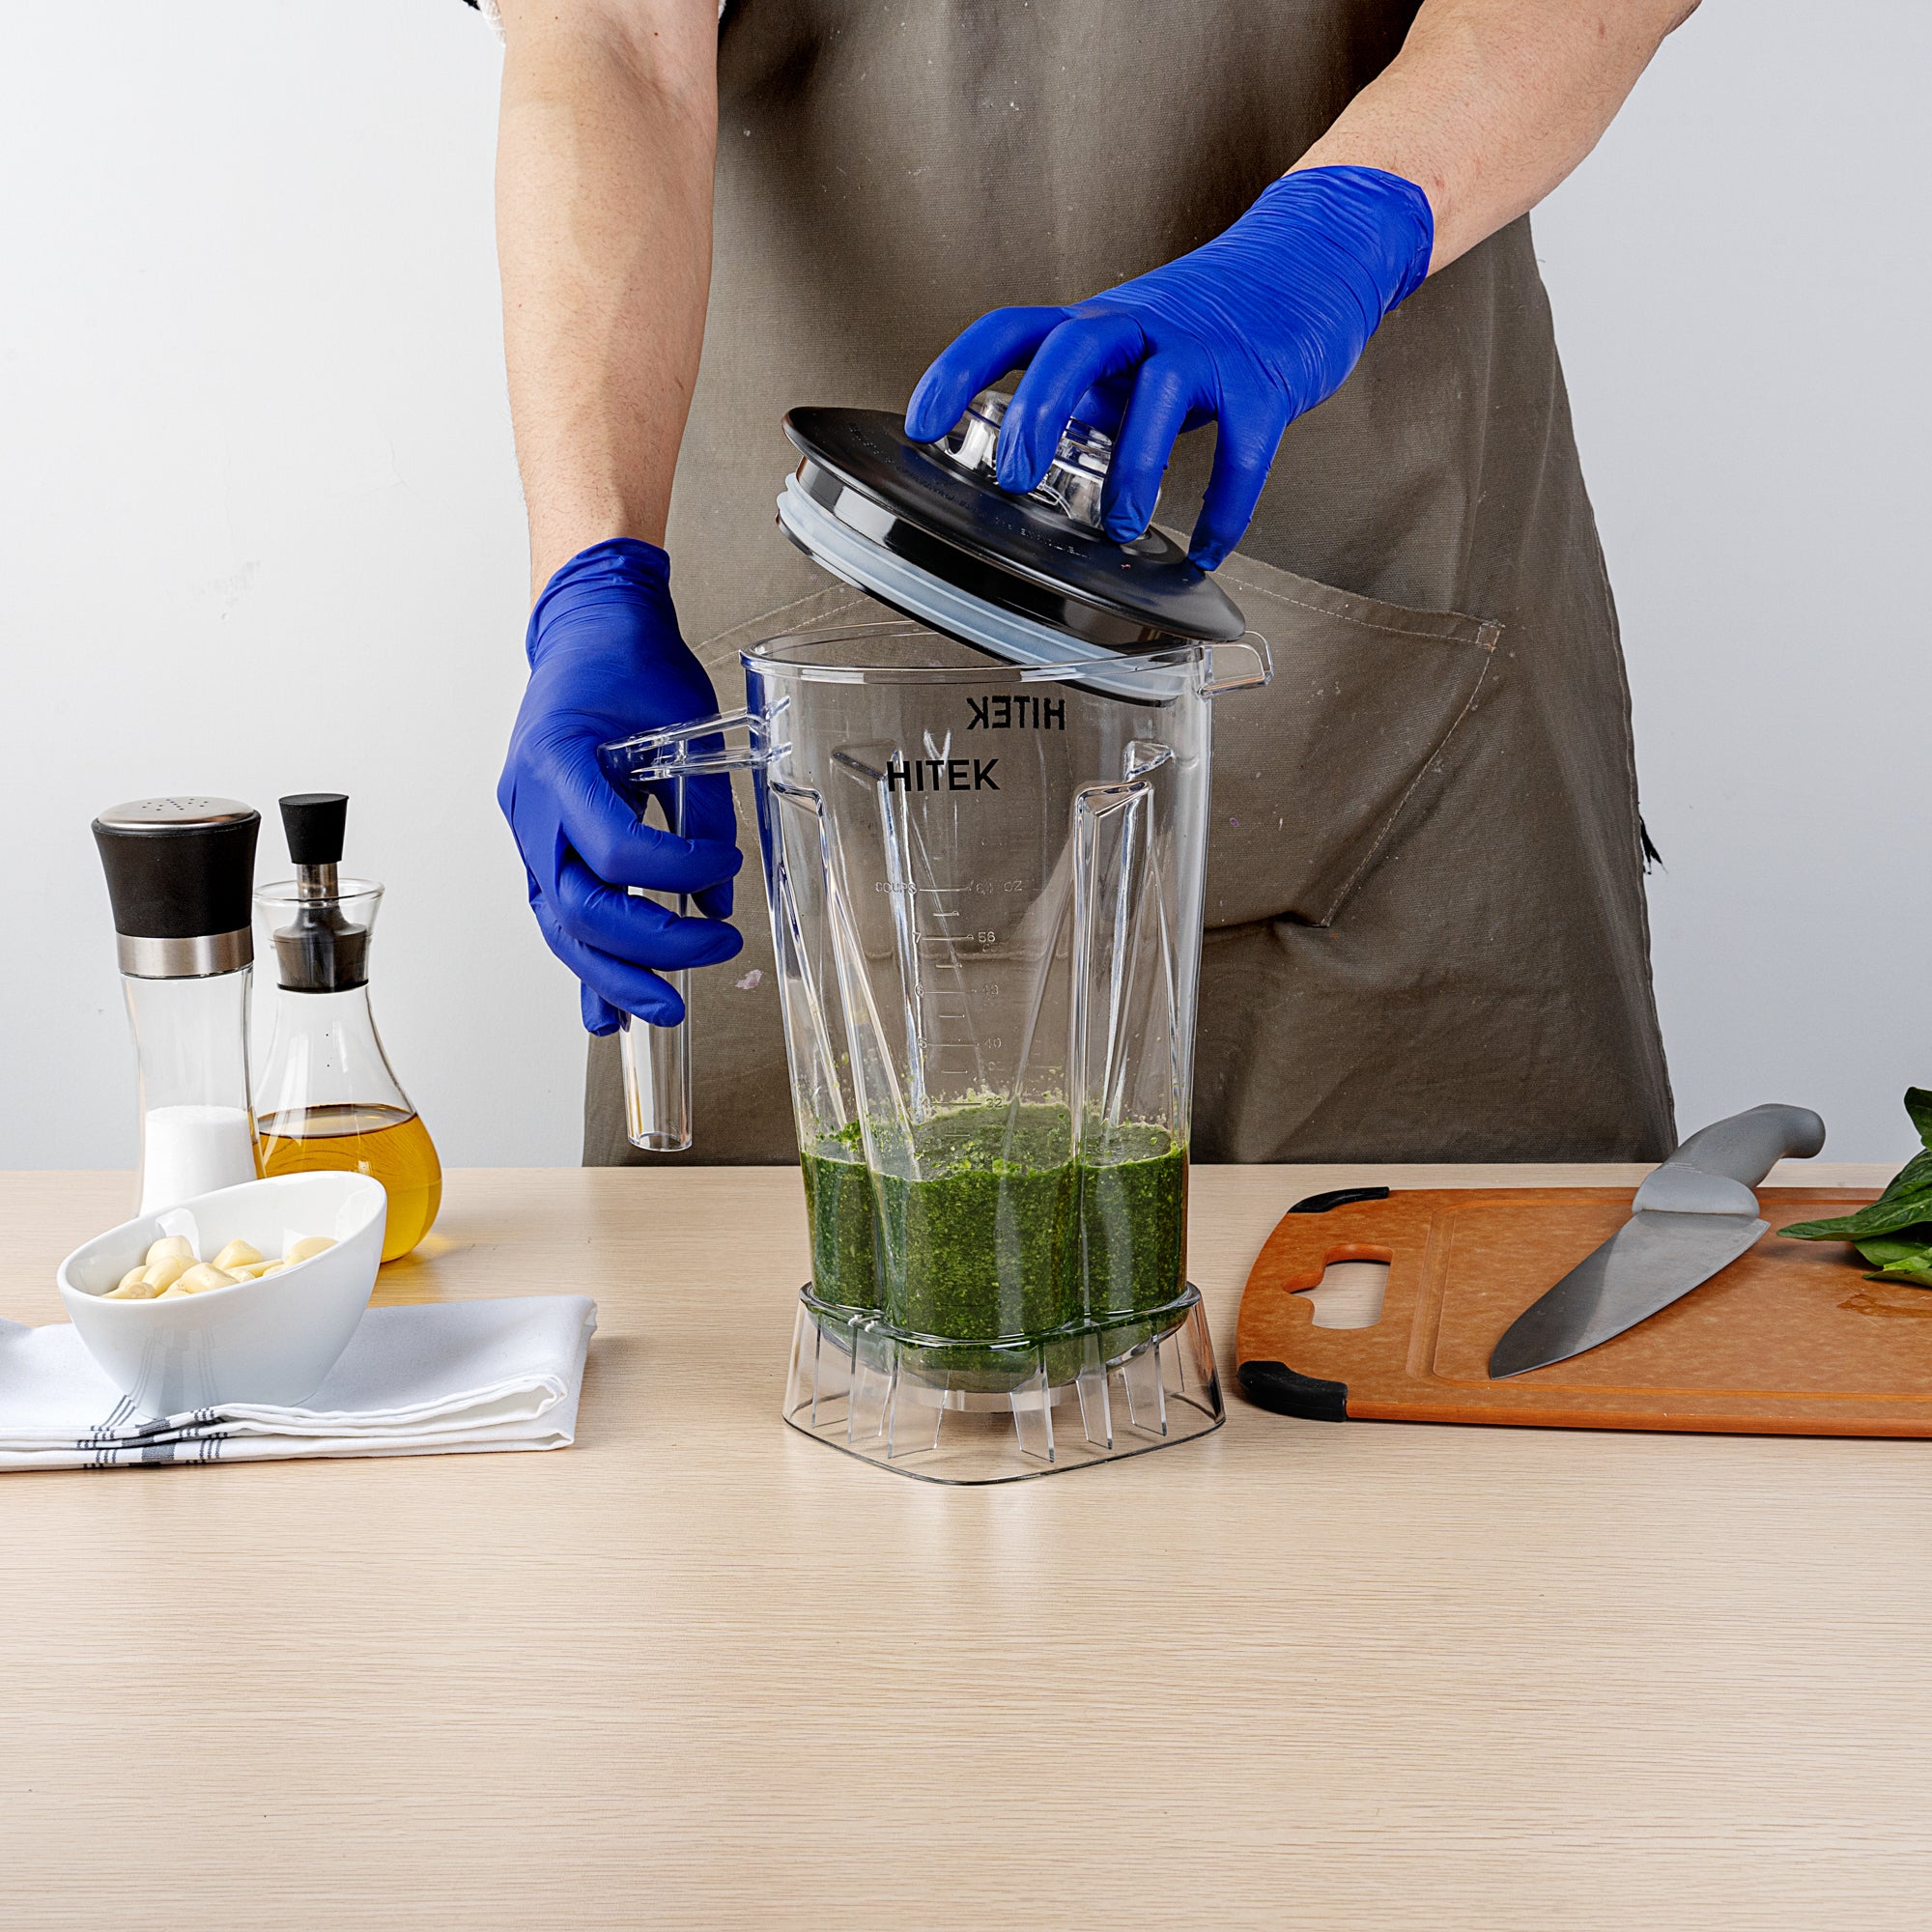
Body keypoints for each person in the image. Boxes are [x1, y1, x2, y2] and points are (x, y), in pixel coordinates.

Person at [477, 0, 1695, 1165]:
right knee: (772, 1279)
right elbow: (615, 36)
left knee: (1467, 1285)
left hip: (1395, 602)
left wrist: (1341, 227)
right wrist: (593, 575)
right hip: (828, 698)